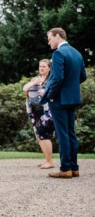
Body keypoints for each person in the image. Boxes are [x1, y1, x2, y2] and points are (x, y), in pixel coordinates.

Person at [39, 28, 87, 179]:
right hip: (72, 99)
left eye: (49, 38)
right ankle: (74, 168)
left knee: (62, 134)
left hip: (59, 100)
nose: (49, 42)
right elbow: (82, 77)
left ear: (58, 36)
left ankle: (65, 168)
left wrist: (51, 95)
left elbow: (58, 78)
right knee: (71, 133)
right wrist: (70, 88)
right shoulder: (77, 53)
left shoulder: (58, 53)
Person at [23, 59, 55, 169]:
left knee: (45, 135)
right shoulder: (35, 79)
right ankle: (46, 160)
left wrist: (45, 91)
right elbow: (24, 89)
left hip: (46, 111)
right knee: (39, 136)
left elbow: (53, 94)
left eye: (44, 66)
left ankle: (50, 161)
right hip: (34, 111)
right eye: (40, 66)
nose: (41, 68)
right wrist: (33, 83)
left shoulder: (52, 80)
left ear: (49, 68)